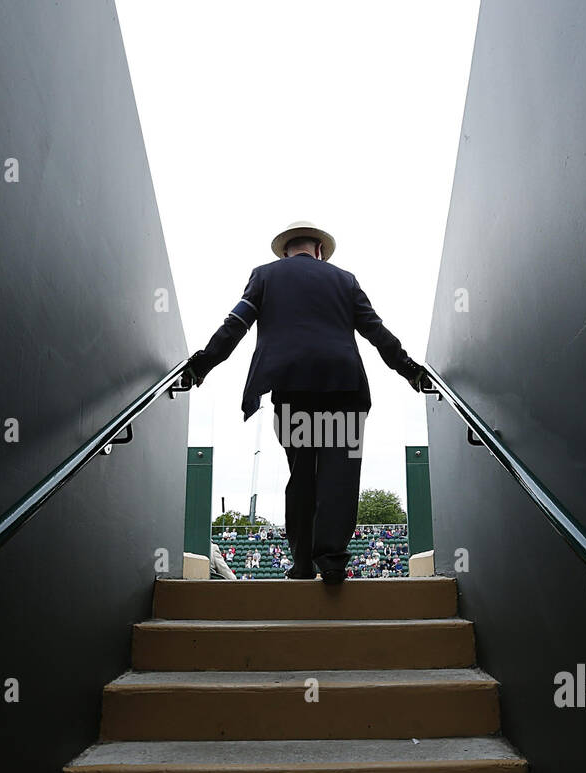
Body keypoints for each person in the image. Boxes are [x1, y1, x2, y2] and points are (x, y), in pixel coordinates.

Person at [181, 221, 428, 584]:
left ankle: (301, 565)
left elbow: (235, 324)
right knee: (339, 474)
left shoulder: (264, 276)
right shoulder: (345, 280)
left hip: (293, 386)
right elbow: (376, 330)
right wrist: (409, 369)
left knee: (302, 475)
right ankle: (331, 562)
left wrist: (201, 364)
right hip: (343, 387)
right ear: (319, 251)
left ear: (285, 251)